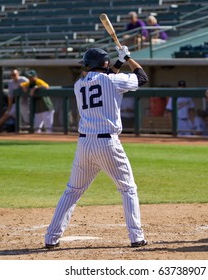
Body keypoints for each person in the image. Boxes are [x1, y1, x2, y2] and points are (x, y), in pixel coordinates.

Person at [44, 46, 148, 249]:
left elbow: (104, 78)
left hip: (84, 144)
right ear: (105, 64)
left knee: (72, 191)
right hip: (107, 144)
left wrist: (116, 62)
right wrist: (128, 58)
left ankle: (51, 238)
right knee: (127, 189)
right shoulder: (111, 80)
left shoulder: (78, 84)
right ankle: (136, 237)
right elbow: (141, 77)